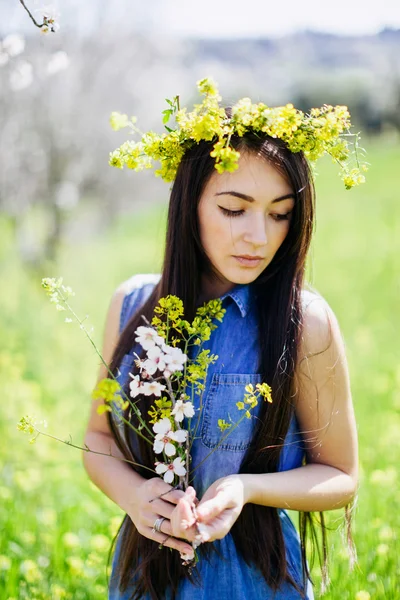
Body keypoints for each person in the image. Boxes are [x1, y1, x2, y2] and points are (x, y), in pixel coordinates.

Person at [82, 81, 360, 600]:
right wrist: (138, 496)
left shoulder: (306, 322)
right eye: (234, 209)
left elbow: (341, 474)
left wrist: (246, 488)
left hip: (257, 578)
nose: (259, 235)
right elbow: (97, 440)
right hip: (146, 575)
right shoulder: (132, 304)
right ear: (190, 203)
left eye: (280, 213)